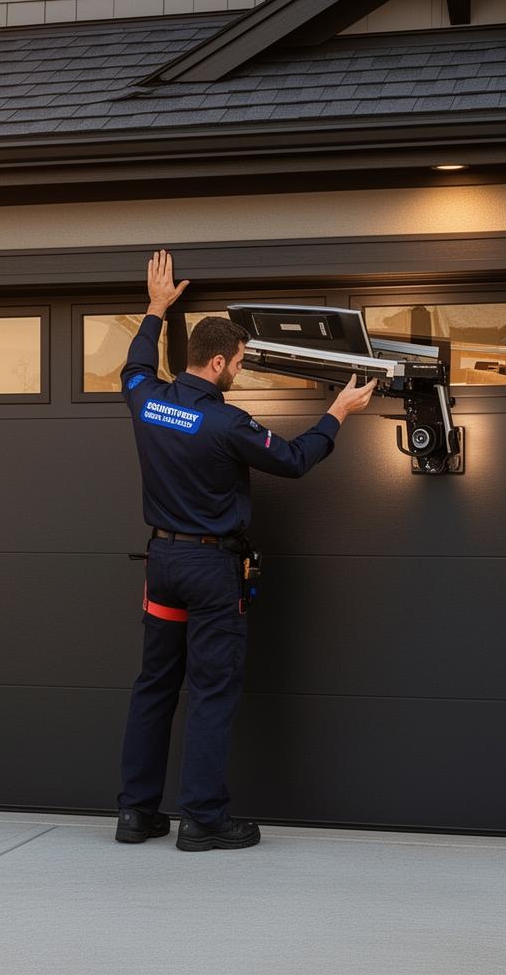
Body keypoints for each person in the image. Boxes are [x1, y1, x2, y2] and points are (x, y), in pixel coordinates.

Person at [113, 249, 377, 852]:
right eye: (237, 362)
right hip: (209, 571)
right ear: (217, 361)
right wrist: (337, 412)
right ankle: (201, 821)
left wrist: (155, 310)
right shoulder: (227, 424)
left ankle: (136, 814)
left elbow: (133, 364)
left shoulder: (144, 398)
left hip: (163, 566)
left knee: (154, 684)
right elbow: (292, 460)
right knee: (210, 690)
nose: (240, 371)